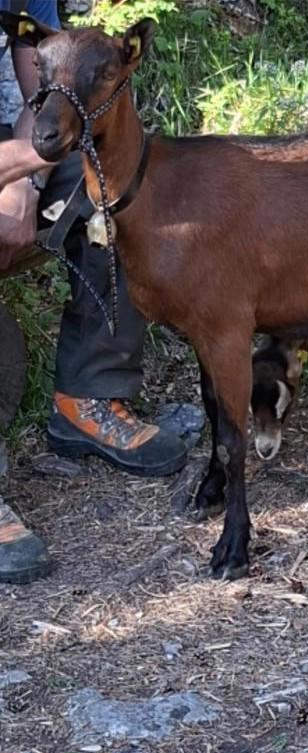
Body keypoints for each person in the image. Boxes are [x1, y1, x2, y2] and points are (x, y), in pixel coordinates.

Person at [0, 2, 187, 584]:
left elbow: (45, 98)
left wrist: (26, 176)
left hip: (13, 156)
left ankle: (88, 396)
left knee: (120, 182)